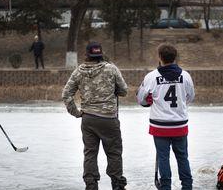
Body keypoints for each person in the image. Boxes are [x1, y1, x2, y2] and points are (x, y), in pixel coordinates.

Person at [62, 41, 128, 190]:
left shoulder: (78, 71)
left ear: (87, 55)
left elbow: (66, 94)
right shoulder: (111, 69)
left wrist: (76, 112)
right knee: (114, 153)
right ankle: (117, 183)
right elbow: (124, 90)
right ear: (101, 54)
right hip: (109, 119)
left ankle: (91, 184)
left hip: (88, 119)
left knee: (90, 153)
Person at [136, 44, 195, 190]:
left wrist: (149, 101)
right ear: (175, 57)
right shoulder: (185, 75)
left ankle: (166, 186)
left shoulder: (151, 77)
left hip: (160, 126)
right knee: (182, 157)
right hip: (180, 125)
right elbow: (190, 97)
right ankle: (187, 186)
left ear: (160, 57)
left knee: (163, 157)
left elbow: (140, 98)